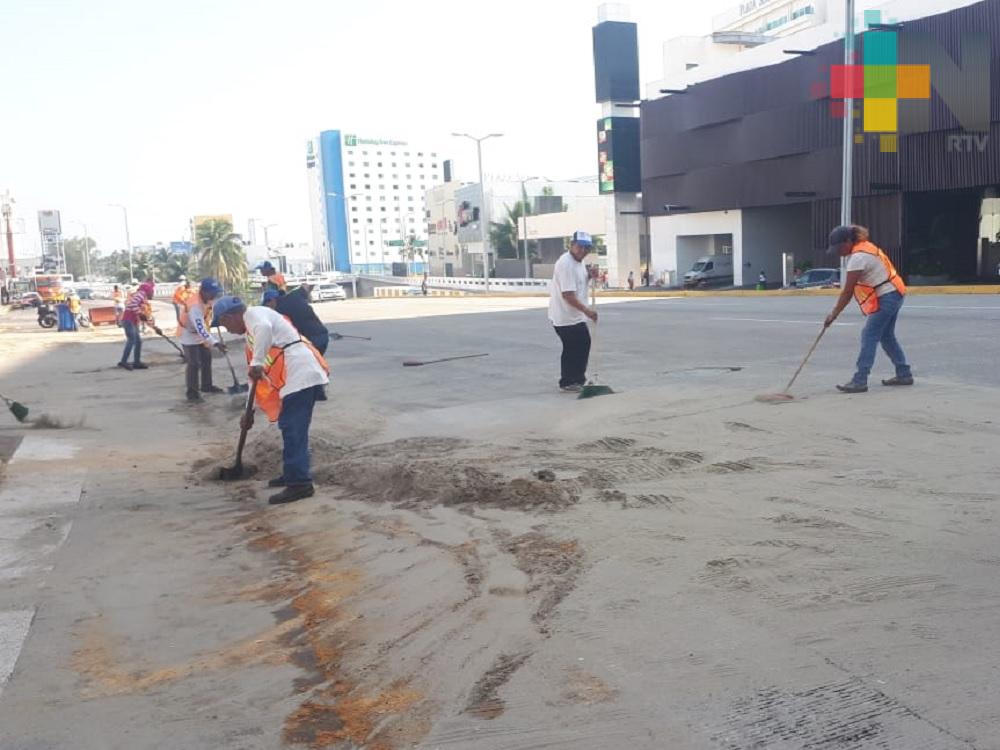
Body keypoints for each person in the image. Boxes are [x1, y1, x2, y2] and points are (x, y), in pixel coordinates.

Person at [212, 296, 330, 505]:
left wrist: (257, 362)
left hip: (300, 374)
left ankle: (300, 483)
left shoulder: (254, 315)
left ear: (228, 317)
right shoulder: (252, 336)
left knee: (293, 429)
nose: (227, 330)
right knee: (290, 428)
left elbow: (264, 332)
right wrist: (248, 411)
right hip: (293, 379)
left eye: (224, 325)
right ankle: (292, 473)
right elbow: (254, 377)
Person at [824, 224, 913, 393]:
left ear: (848, 241)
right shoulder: (866, 247)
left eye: (839, 248)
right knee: (886, 336)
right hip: (896, 292)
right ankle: (904, 374)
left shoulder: (858, 257)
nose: (838, 253)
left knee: (869, 335)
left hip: (887, 295)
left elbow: (847, 292)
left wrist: (833, 314)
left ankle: (860, 380)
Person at [548, 231, 598, 394]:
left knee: (582, 344)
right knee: (573, 347)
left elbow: (579, 282)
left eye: (587, 248)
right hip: (565, 316)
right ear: (571, 245)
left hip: (575, 315)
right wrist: (587, 311)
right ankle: (569, 381)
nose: (583, 250)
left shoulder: (579, 262)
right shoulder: (566, 264)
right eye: (580, 246)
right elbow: (568, 295)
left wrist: (589, 276)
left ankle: (577, 379)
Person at [179, 278, 225, 401]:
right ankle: (192, 393)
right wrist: (215, 343)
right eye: (212, 293)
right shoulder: (195, 306)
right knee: (194, 363)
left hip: (199, 332)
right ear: (203, 291)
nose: (214, 295)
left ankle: (206, 386)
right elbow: (201, 329)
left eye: (215, 293)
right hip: (188, 334)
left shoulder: (207, 299)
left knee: (206, 357)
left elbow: (210, 313)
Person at [263, 286, 329, 354]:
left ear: (272, 300)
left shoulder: (279, 310)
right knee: (314, 359)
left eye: (267, 305)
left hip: (312, 338)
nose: (269, 308)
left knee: (305, 359)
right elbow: (305, 287)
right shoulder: (294, 295)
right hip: (322, 334)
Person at [119, 280, 154, 370]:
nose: (152, 292)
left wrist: (146, 319)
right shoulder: (141, 294)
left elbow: (139, 310)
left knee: (138, 342)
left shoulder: (142, 296)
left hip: (132, 321)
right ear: (148, 290)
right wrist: (140, 313)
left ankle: (136, 362)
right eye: (151, 290)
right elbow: (133, 304)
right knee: (131, 340)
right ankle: (123, 361)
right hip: (129, 320)